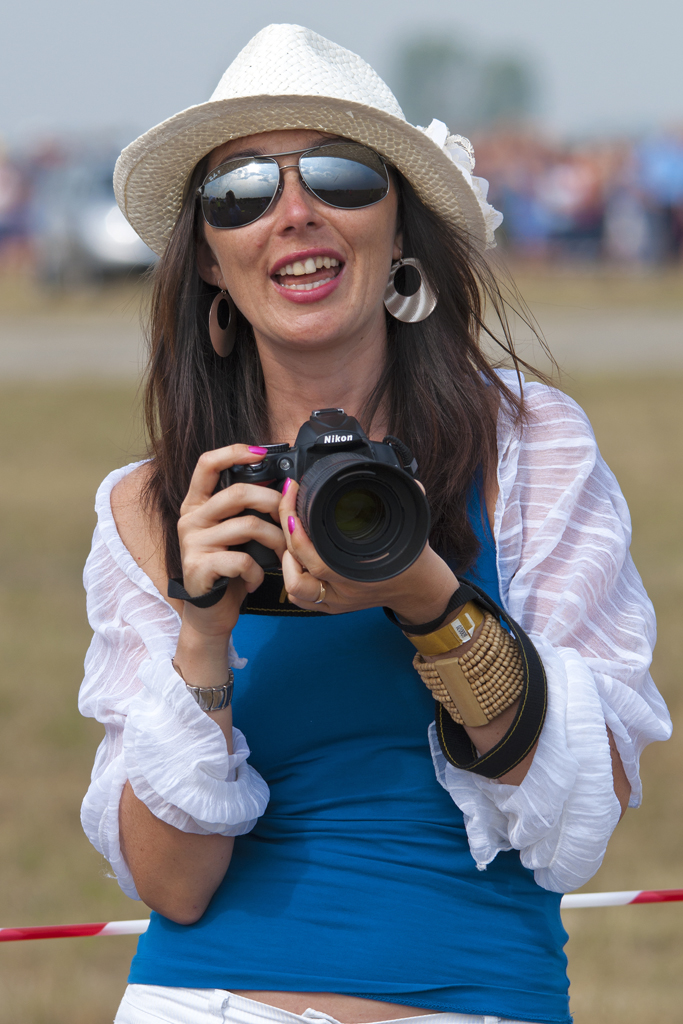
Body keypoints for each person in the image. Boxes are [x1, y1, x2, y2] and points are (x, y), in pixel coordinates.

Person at [78, 24, 671, 1024]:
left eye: (341, 176)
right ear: (211, 263)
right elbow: (171, 885)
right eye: (240, 194)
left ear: (399, 226)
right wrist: (201, 637)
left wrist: (422, 588)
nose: (294, 214)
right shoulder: (152, 502)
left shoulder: (525, 445)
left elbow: (578, 821)